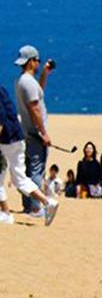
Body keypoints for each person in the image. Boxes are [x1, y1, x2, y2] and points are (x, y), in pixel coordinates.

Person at [0, 64, 59, 225]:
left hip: (7, 141)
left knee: (16, 177)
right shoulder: (3, 88)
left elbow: (1, 120)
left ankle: (8, 212)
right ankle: (46, 202)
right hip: (16, 137)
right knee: (18, 177)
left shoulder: (17, 83)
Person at [14, 46, 55, 206]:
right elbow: (34, 108)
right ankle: (36, 207)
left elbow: (38, 92)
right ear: (31, 61)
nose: (38, 63)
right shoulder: (28, 82)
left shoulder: (22, 81)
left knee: (28, 170)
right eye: (37, 61)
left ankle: (29, 206)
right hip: (35, 133)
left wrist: (45, 73)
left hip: (26, 132)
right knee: (37, 170)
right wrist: (43, 132)